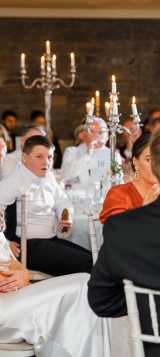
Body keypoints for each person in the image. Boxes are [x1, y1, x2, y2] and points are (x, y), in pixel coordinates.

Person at [0, 134, 110, 356]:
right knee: (82, 288)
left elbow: (11, 262)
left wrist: (22, 273)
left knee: (85, 285)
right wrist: (21, 277)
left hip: (4, 298)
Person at [88, 129, 160, 356]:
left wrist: (141, 302)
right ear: (136, 162)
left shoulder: (123, 229)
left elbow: (102, 300)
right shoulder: (121, 198)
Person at [0, 135, 92, 275]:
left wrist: (66, 217)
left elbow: (62, 201)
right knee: (88, 264)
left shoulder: (48, 176)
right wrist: (5, 243)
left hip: (50, 240)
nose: (46, 162)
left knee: (96, 259)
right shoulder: (13, 182)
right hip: (27, 247)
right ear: (24, 157)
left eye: (50, 157)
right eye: (39, 157)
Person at [99, 134, 160, 224]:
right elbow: (117, 233)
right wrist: (146, 212)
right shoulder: (119, 194)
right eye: (149, 159)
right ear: (135, 162)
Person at [61, 117, 113, 186]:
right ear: (85, 136)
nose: (97, 136)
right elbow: (65, 176)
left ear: (107, 136)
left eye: (101, 132)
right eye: (93, 132)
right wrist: (88, 154)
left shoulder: (113, 155)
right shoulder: (72, 151)